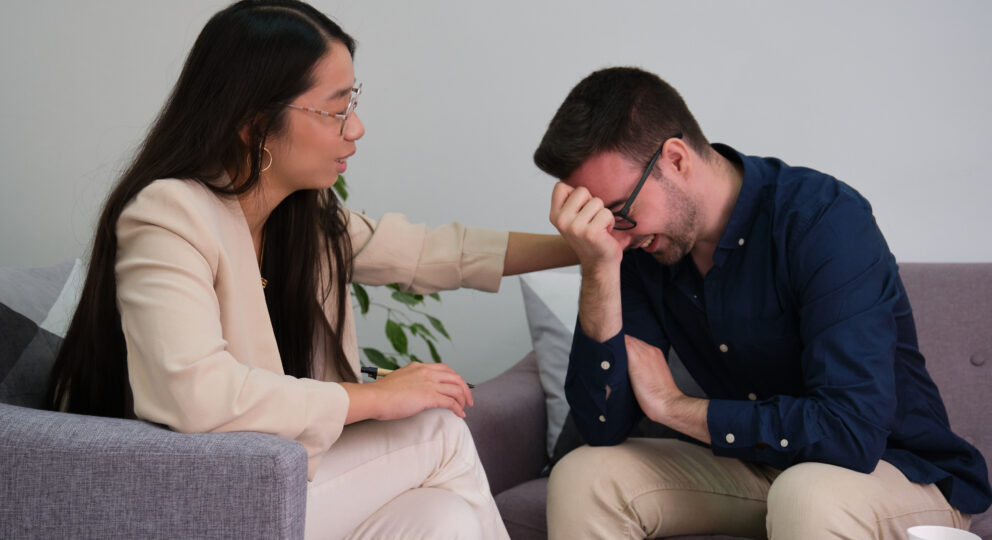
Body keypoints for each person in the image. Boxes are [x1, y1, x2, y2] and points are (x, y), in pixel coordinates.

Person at [44, 1, 575, 538]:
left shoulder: (303, 220)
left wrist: (587, 248)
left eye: (354, 102)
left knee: (444, 519)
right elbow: (194, 392)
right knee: (437, 431)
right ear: (255, 126)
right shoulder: (167, 214)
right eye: (336, 109)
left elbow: (435, 252)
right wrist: (375, 398)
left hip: (266, 480)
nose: (357, 127)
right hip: (175, 498)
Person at [534, 66, 991, 539]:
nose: (615, 234)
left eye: (618, 212)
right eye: (599, 220)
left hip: (893, 471)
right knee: (583, 476)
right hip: (759, 466)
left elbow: (851, 433)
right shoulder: (640, 246)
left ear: (675, 159)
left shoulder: (824, 221)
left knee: (808, 493)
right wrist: (598, 267)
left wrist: (675, 407)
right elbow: (602, 426)